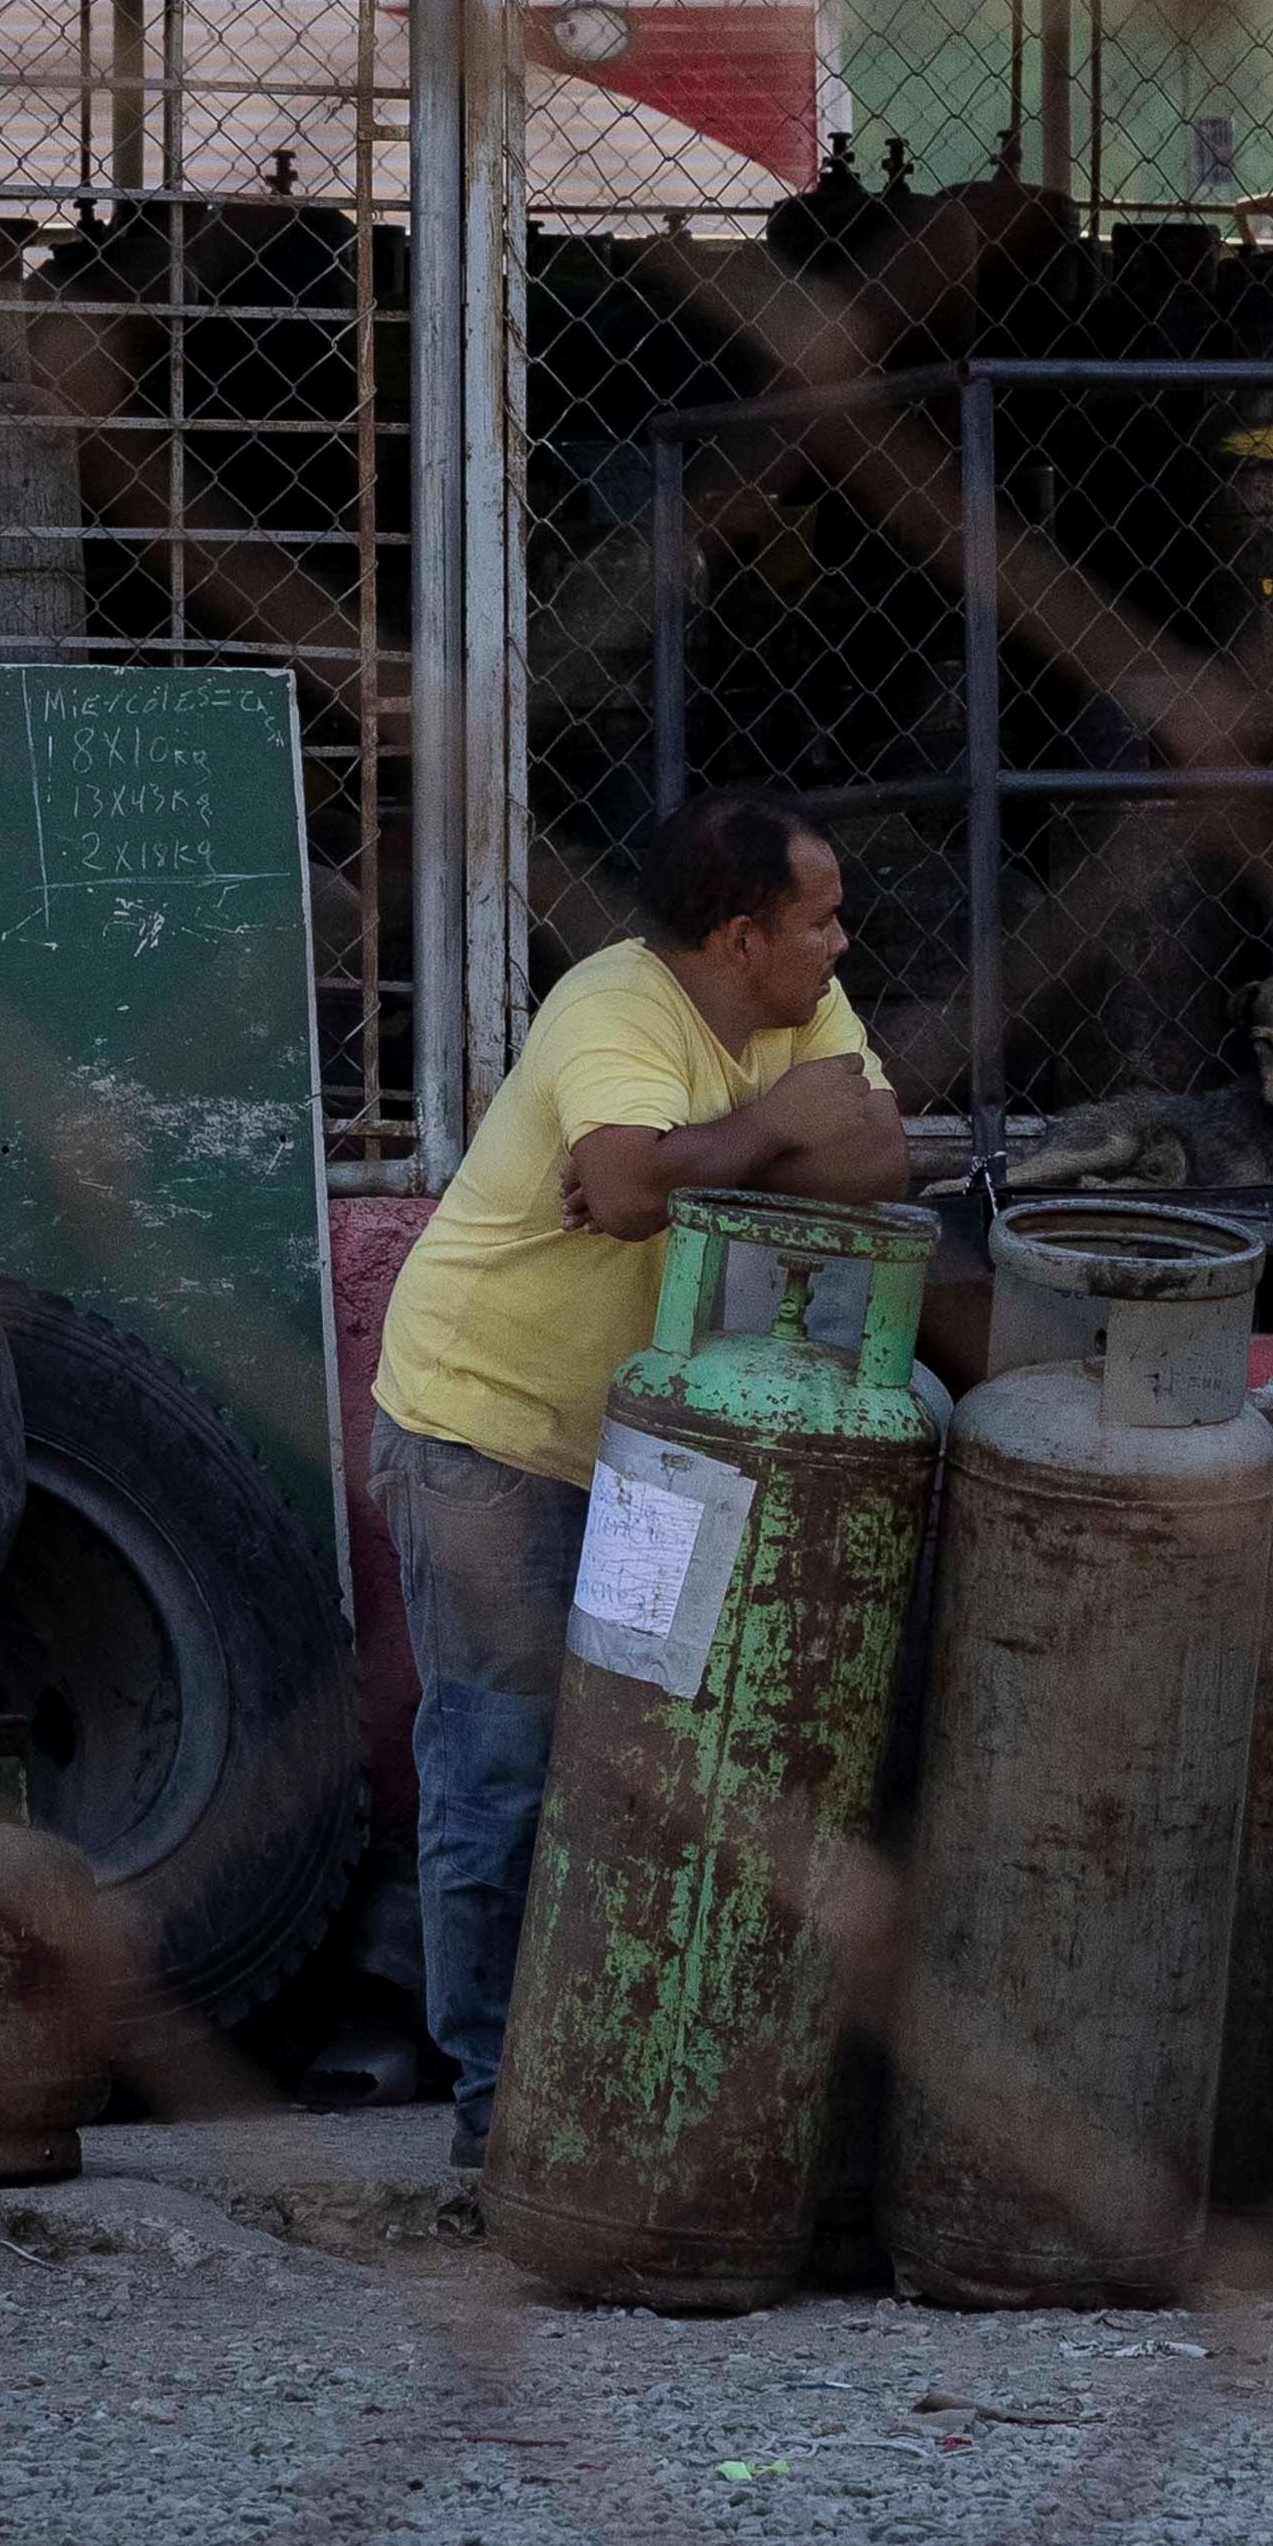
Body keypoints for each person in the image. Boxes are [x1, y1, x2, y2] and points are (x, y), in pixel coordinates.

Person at [363, 787, 910, 2164]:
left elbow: (880, 1158)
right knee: (500, 1769)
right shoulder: (611, 1011)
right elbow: (617, 1191)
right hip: (488, 1435)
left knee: (646, 1768)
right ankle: (497, 2126)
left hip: (662, 1449)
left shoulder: (801, 1014)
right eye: (818, 922)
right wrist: (775, 1127)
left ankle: (608, 2088)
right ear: (739, 938)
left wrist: (700, 1158)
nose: (842, 945)